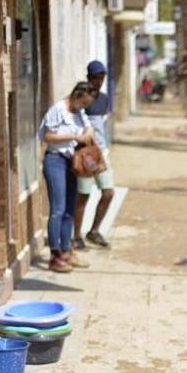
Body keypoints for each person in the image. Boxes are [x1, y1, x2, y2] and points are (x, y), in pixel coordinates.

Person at [37, 82, 96, 273]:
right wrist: (73, 137)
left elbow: (89, 129)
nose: (83, 107)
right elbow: (47, 136)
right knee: (58, 209)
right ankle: (55, 255)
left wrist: (87, 134)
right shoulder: (58, 110)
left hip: (72, 163)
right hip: (55, 160)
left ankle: (66, 250)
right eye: (83, 103)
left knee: (70, 210)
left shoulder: (79, 113)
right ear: (76, 96)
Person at [73, 61, 115, 250]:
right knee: (83, 195)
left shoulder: (105, 99)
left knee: (108, 192)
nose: (98, 82)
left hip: (101, 154)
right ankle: (76, 235)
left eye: (101, 78)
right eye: (95, 78)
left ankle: (94, 231)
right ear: (89, 77)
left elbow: (101, 126)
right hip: (85, 153)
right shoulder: (82, 98)